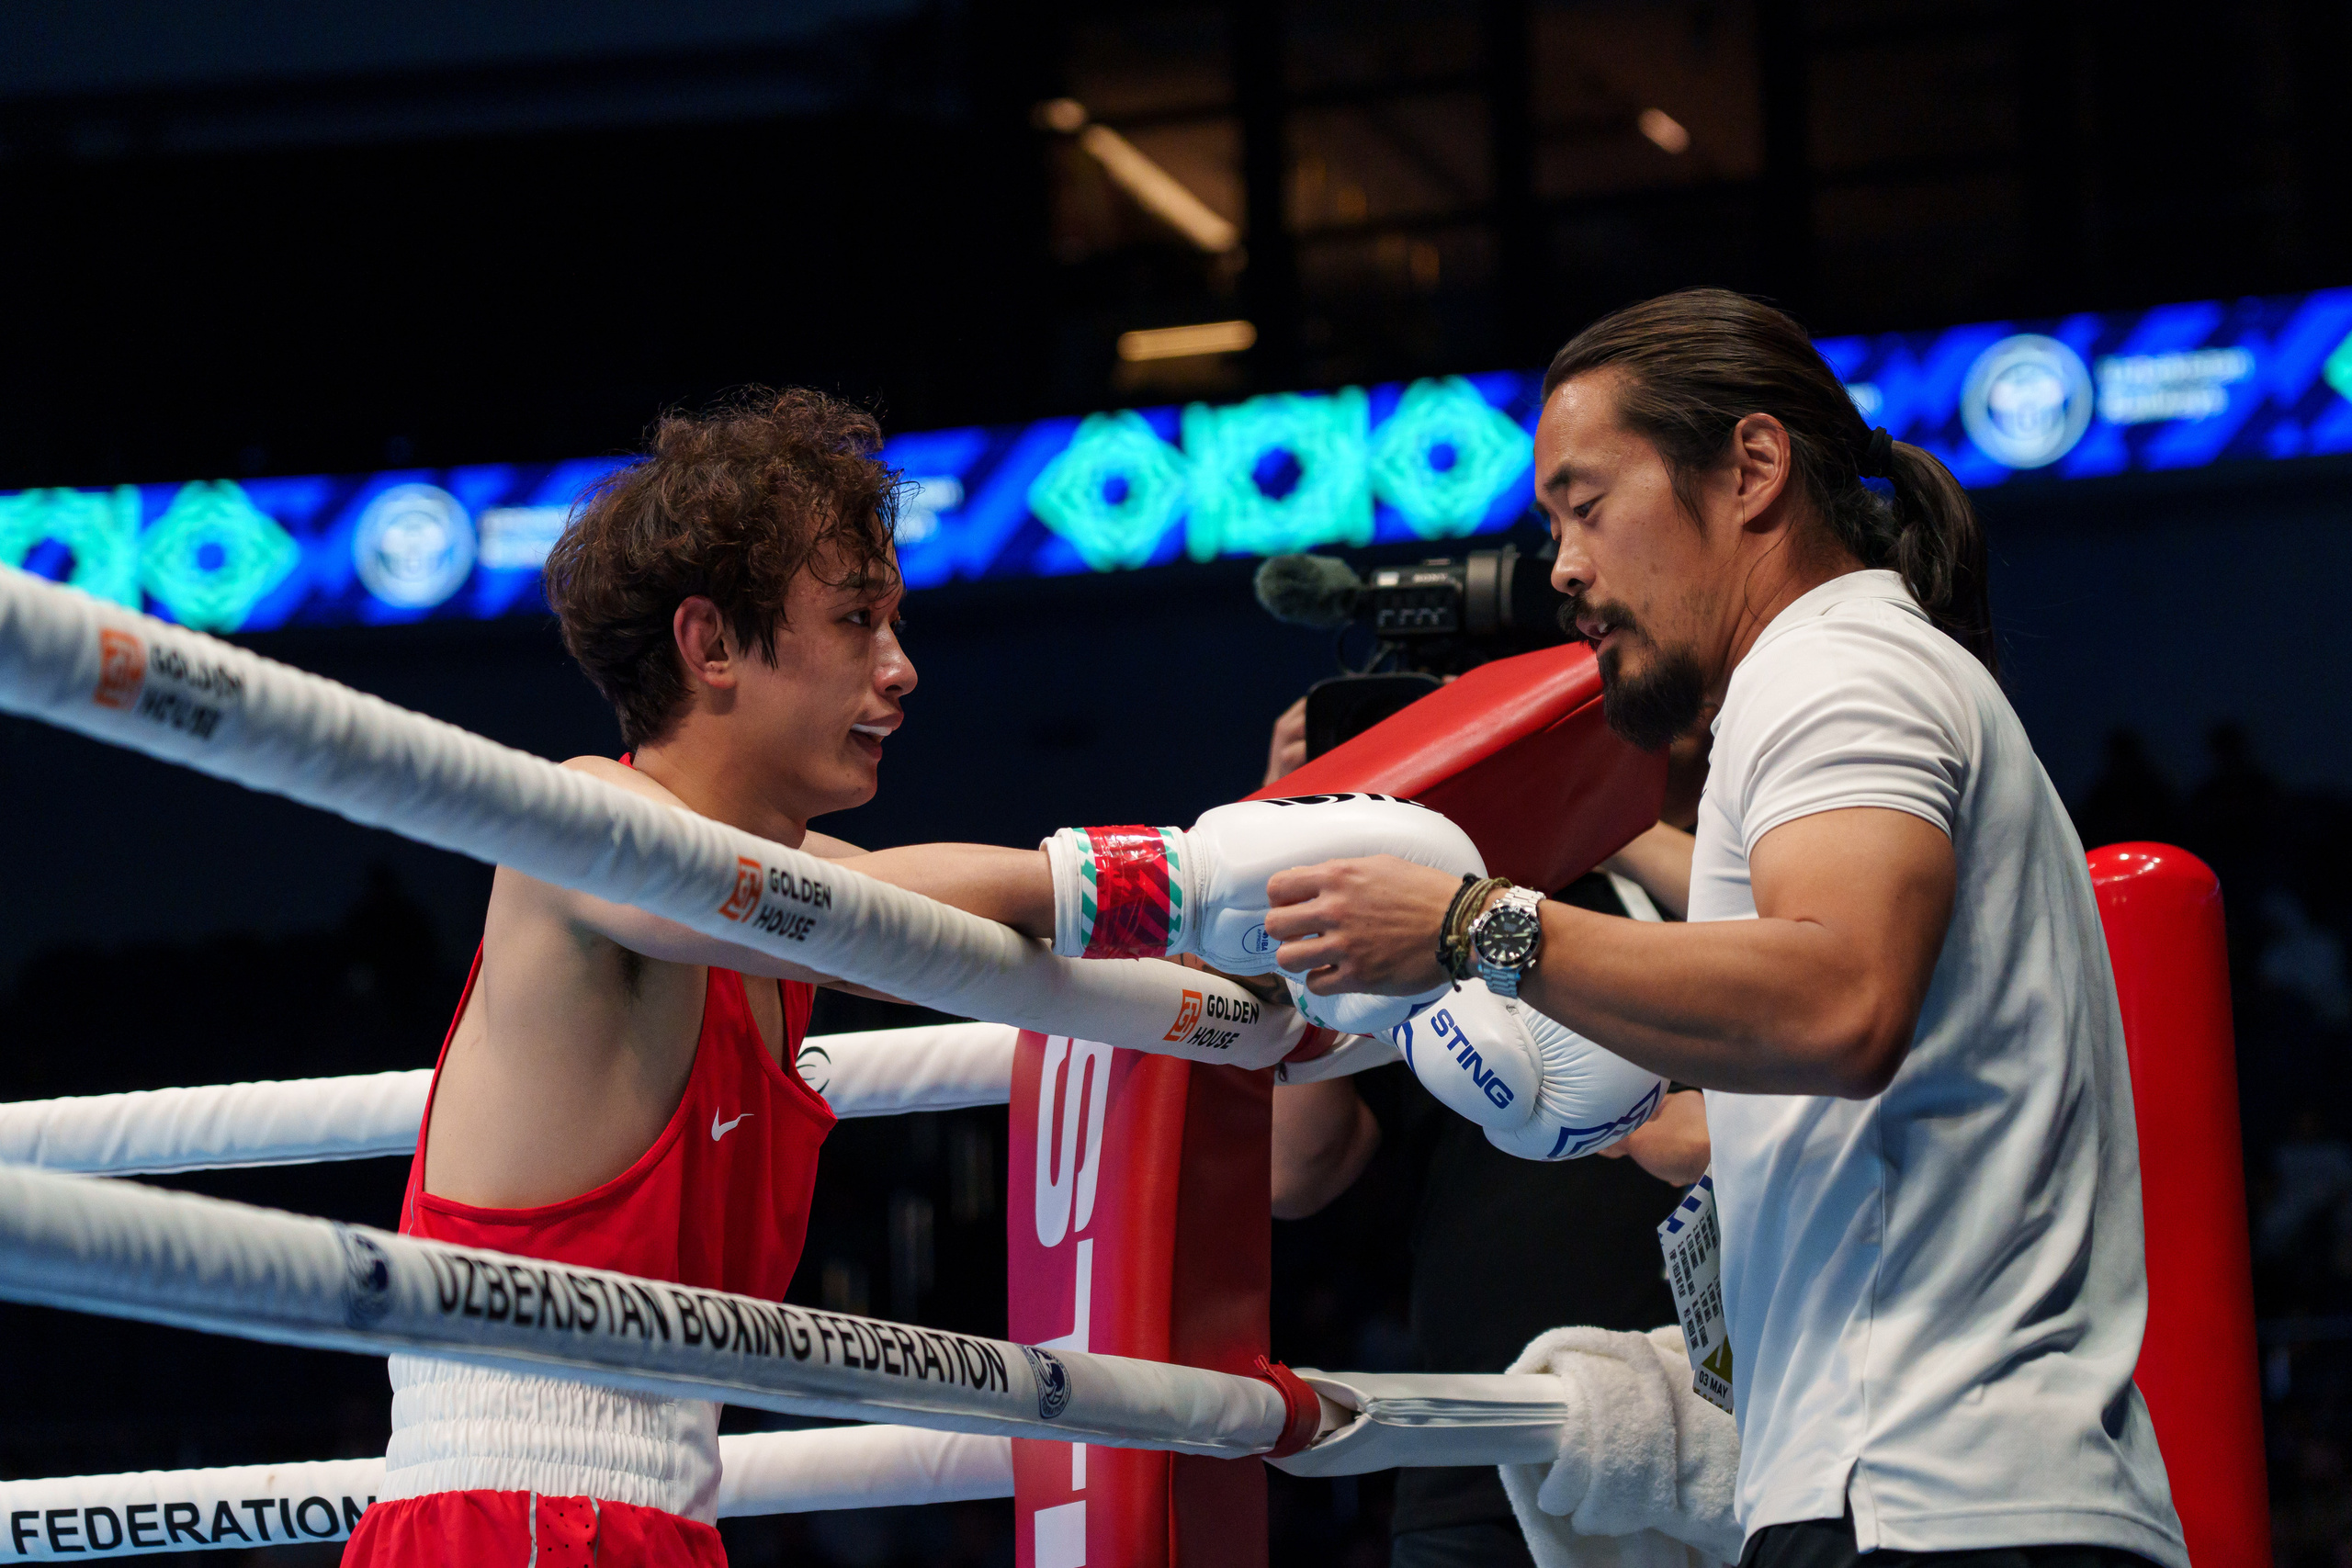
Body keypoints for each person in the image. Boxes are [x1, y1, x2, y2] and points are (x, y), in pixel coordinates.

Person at [1257, 289, 2187, 1566]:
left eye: (1587, 505)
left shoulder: (1834, 666)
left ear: (1750, 468)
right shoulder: (1848, 668)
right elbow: (1841, 1041)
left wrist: (1474, 922)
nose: (1566, 564)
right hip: (1926, 1484)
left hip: (1930, 1496)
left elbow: (1840, 997)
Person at [345, 389, 1058, 1568]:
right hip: (512, 1517)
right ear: (711, 644)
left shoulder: (815, 901)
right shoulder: (578, 824)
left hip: (655, 1514)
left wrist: (1178, 886)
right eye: (857, 620)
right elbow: (702, 894)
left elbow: (926, 895)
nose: (902, 670)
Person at [1269, 697, 1711, 1568]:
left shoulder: (1775, 857)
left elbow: (1817, 960)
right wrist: (1293, 850)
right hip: (1474, 1454)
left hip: (1709, 1439)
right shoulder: (1429, 893)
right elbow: (1294, 1171)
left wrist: (1583, 810)